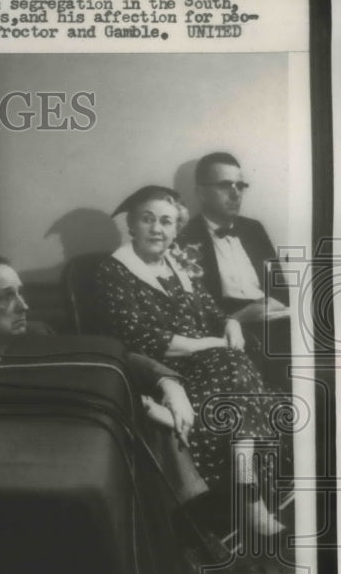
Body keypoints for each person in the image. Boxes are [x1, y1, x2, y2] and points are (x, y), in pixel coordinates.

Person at [96, 185, 287, 537]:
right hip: (163, 371)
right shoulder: (115, 270)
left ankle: (245, 485)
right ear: (132, 226)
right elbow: (140, 339)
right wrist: (216, 343)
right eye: (147, 219)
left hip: (210, 368)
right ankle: (250, 499)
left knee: (235, 371)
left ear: (176, 229)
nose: (157, 229)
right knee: (233, 366)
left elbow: (212, 312)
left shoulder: (177, 263)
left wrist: (230, 321)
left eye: (166, 222)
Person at [0, 255, 198, 449]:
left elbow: (99, 354)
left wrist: (168, 382)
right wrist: (139, 404)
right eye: (6, 297)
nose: (24, 306)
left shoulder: (37, 332)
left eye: (20, 293)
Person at [177, 152, 291, 389]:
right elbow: (198, 310)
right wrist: (235, 319)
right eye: (225, 185)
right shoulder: (185, 238)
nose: (235, 193)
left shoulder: (253, 229)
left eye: (240, 185)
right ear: (201, 192)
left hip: (274, 316)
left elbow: (280, 290)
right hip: (233, 329)